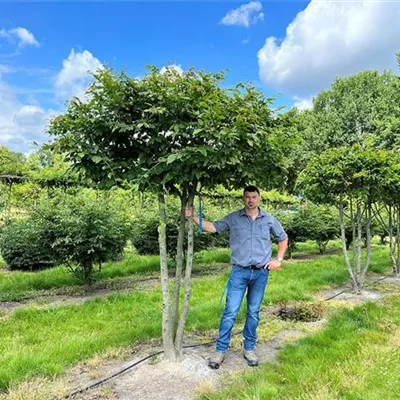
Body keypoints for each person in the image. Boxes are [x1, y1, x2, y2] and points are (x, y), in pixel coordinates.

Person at [185, 185, 288, 369]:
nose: (250, 200)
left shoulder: (269, 220)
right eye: (247, 197)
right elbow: (213, 227)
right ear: (243, 199)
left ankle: (249, 348)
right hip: (239, 272)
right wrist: (193, 217)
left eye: (254, 197)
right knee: (230, 311)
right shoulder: (234, 218)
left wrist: (278, 259)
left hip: (261, 273)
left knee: (254, 312)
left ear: (259, 198)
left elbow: (283, 238)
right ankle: (220, 350)